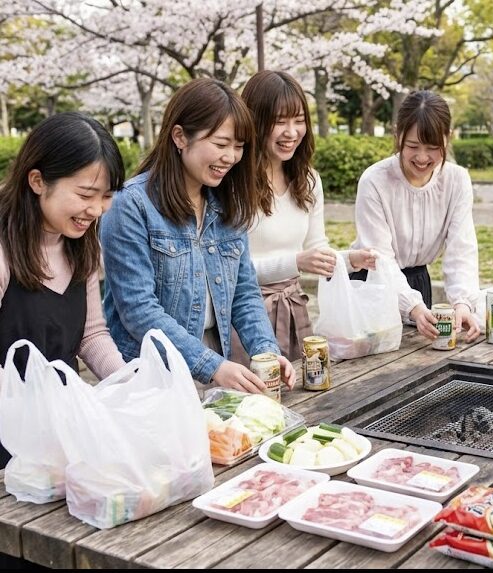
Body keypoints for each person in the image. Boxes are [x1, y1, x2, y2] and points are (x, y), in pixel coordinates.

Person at [100, 78, 296, 394]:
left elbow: (244, 292)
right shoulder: (131, 204)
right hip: (150, 371)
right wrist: (212, 366)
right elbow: (138, 309)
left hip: (215, 360)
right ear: (179, 137)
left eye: (239, 146)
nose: (231, 157)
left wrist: (266, 352)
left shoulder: (226, 203)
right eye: (220, 144)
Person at [0, 112, 128, 470]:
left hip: (60, 436)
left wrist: (127, 381)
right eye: (86, 194)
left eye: (106, 197)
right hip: (12, 442)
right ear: (38, 181)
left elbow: (90, 334)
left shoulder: (80, 243)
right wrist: (40, 411)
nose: (96, 210)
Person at [236, 70, 376, 361]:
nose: (291, 132)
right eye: (279, 121)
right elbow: (229, 270)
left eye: (299, 121)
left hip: (293, 310)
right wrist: (295, 262)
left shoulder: (308, 179)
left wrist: (349, 260)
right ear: (255, 122)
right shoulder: (233, 183)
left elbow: (316, 248)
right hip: (243, 317)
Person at [350, 90, 481, 342]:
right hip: (373, 282)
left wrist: (462, 303)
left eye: (433, 148)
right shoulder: (375, 181)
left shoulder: (456, 180)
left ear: (448, 137)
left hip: (419, 281)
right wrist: (413, 306)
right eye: (412, 146)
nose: (422, 158)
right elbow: (380, 258)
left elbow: (461, 249)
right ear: (397, 134)